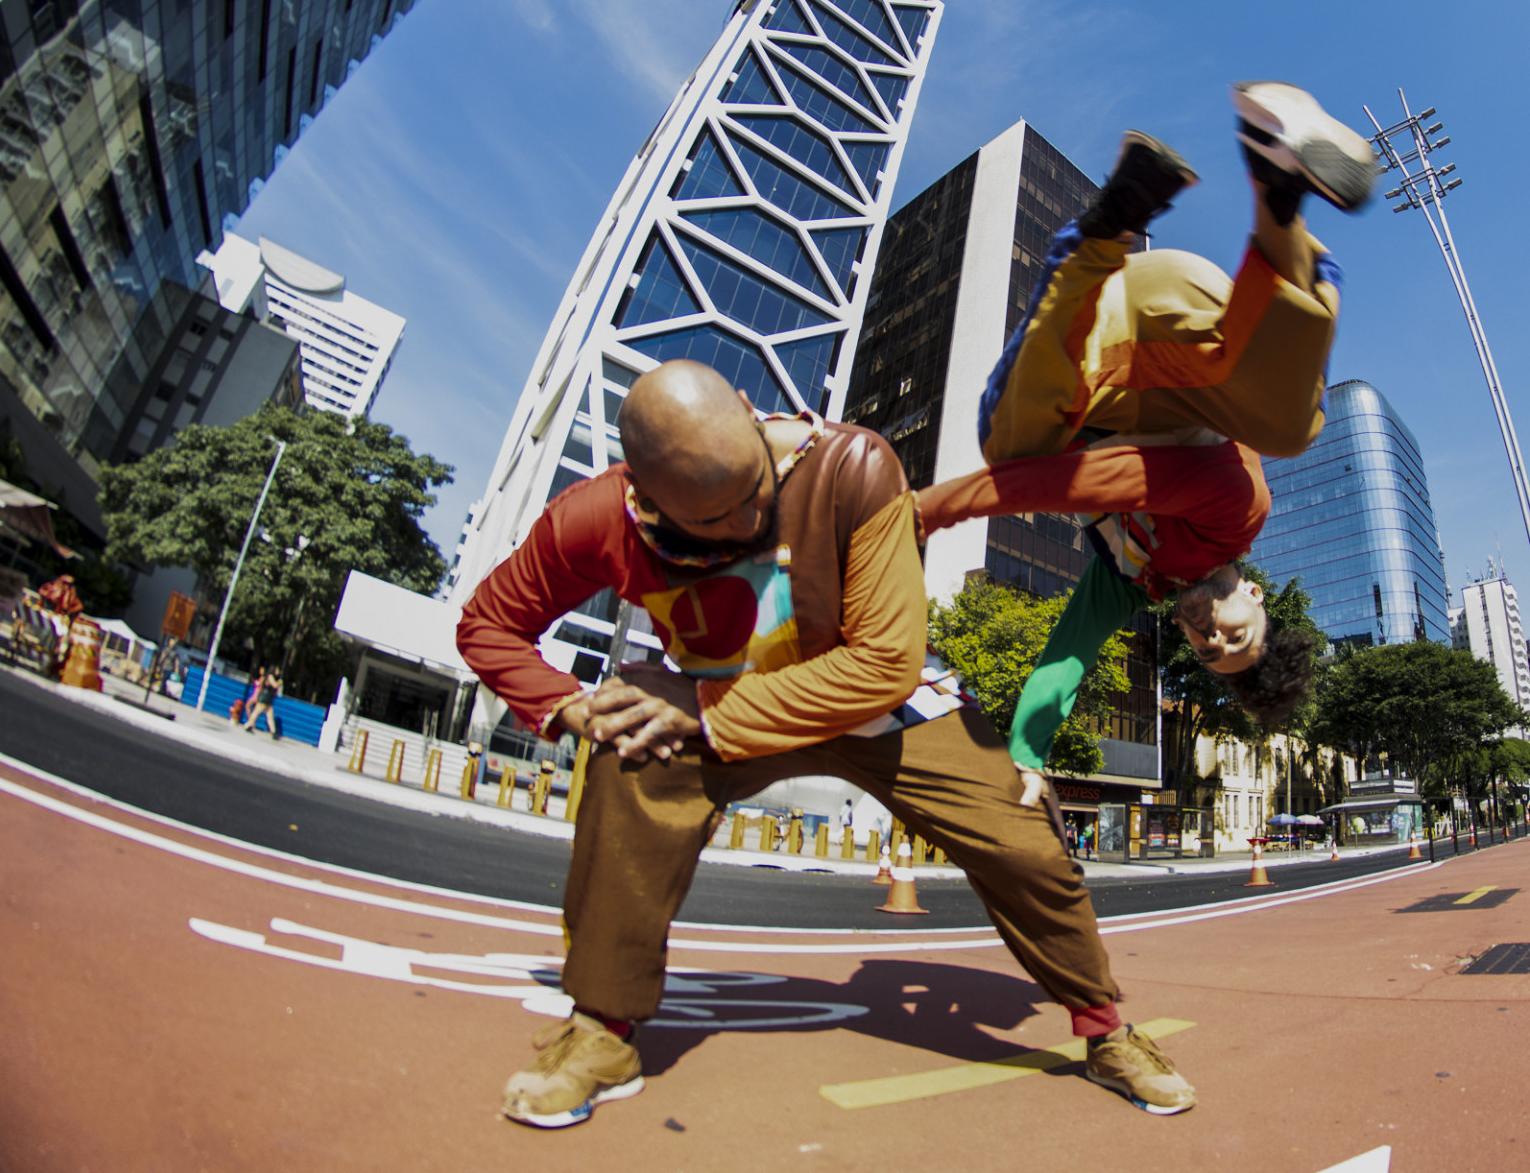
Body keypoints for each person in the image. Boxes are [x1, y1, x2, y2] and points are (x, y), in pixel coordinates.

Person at [457, 359, 1197, 1128]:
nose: (748, 521)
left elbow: (884, 663)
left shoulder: (853, 465)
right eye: (712, 522)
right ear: (642, 491)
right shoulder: (595, 518)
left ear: (751, 408)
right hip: (730, 707)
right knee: (628, 750)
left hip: (873, 705)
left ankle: (1105, 1029)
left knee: (1023, 837)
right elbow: (487, 625)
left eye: (757, 490)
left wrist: (706, 709)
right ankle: (601, 1030)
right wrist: (577, 710)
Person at [920, 82, 1376, 785]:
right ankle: (1287, 231)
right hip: (1183, 330)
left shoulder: (1133, 580)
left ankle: (1125, 214)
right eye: (1233, 633)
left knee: (1010, 439)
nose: (1209, 634)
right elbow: (1101, 481)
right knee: (1290, 428)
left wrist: (1025, 756)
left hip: (1111, 336)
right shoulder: (1237, 511)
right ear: (1254, 594)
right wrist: (934, 508)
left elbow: (1068, 653)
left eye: (1208, 650)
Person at [242, 666, 280, 736]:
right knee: (257, 712)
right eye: (277, 670)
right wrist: (279, 683)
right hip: (265, 698)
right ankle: (249, 725)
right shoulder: (270, 676)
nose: (278, 672)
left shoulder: (267, 677)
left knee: (269, 715)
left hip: (268, 698)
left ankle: (273, 732)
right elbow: (274, 685)